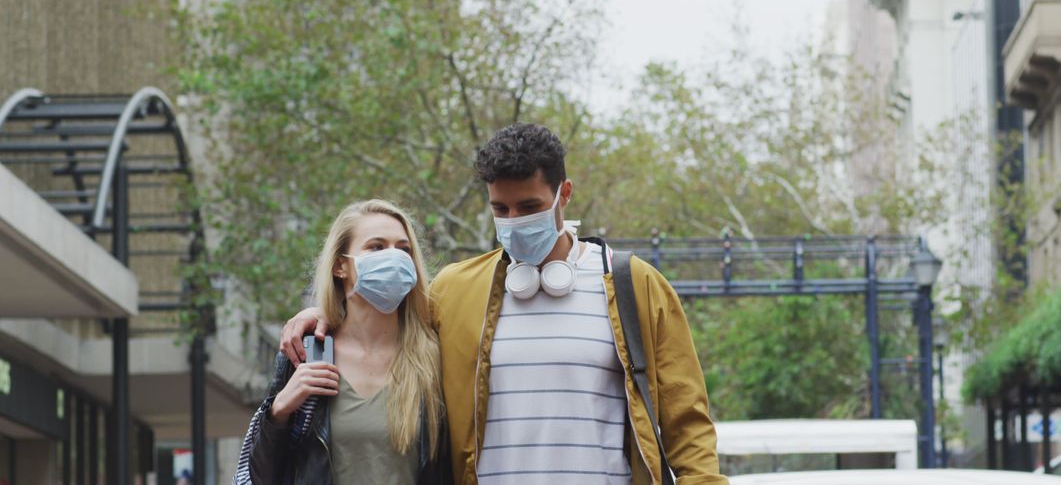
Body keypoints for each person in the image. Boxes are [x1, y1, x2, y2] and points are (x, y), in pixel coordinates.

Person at [280, 124, 727, 484]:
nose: (513, 221)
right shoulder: (456, 290)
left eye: (528, 206)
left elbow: (687, 420)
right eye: (501, 209)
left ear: (563, 194)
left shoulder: (634, 285)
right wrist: (323, 313)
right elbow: (385, 321)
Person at [234, 199, 449, 484]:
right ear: (340, 267)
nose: (394, 257)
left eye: (404, 249)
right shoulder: (306, 353)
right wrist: (279, 411)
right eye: (376, 247)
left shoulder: (435, 357)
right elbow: (262, 477)